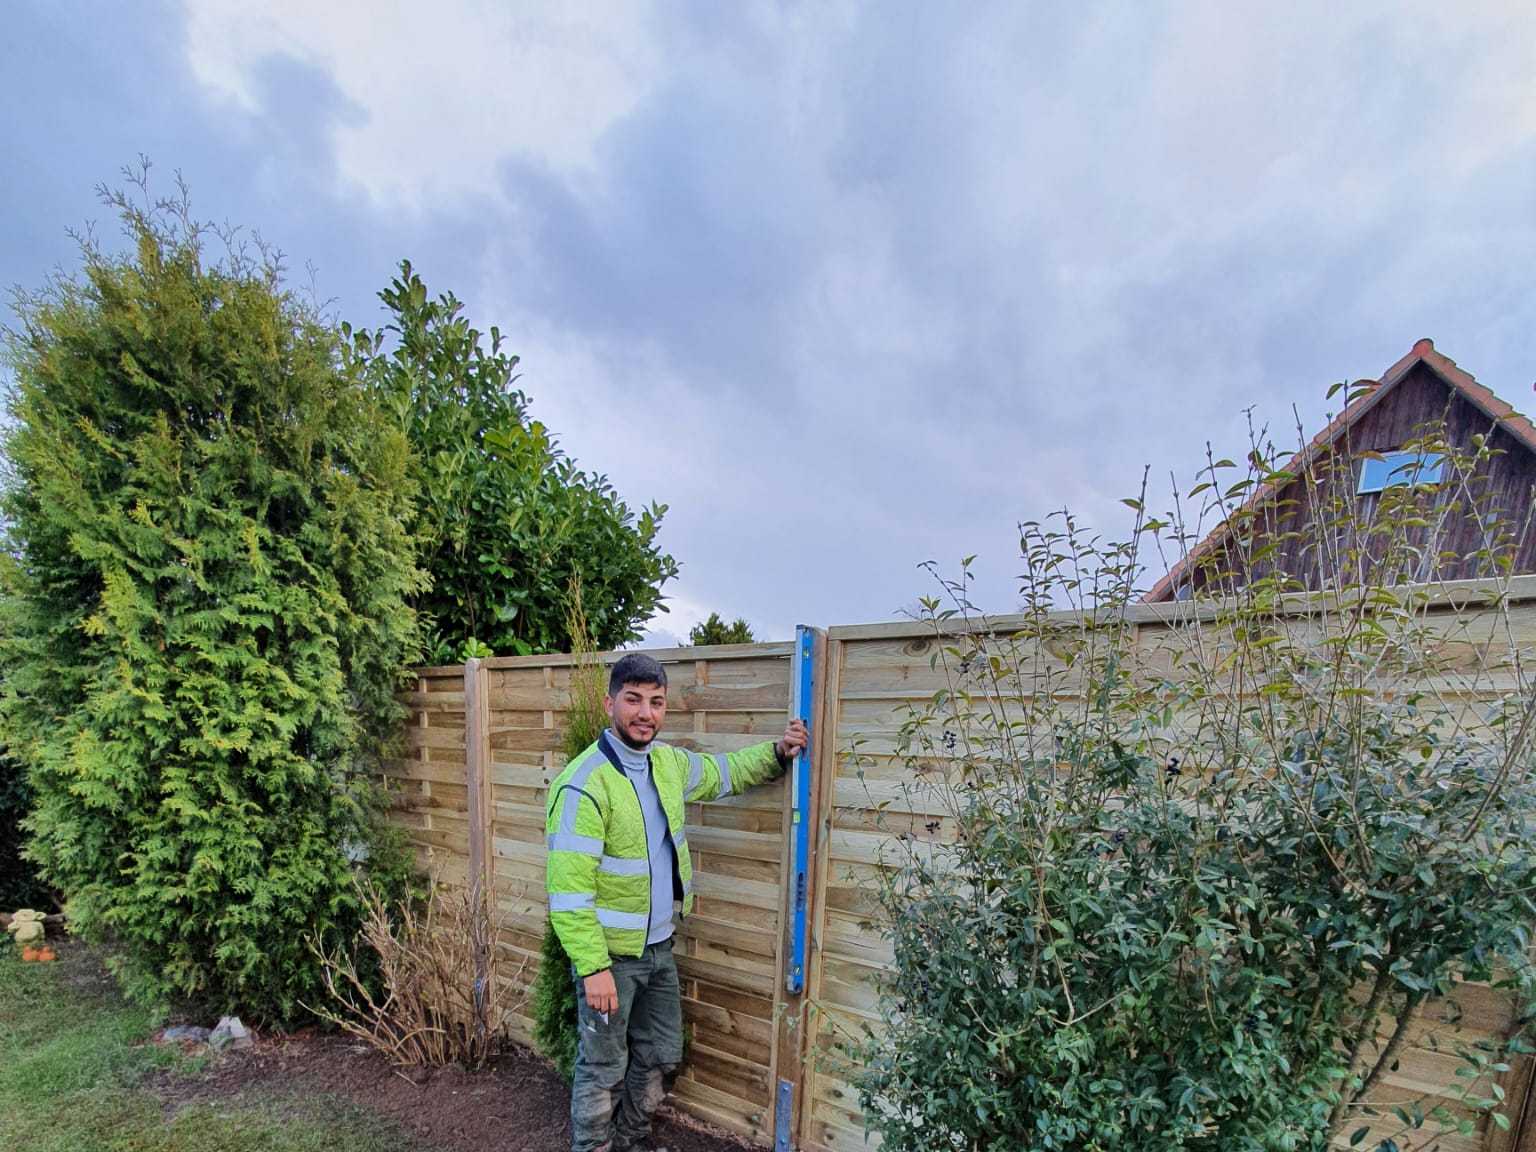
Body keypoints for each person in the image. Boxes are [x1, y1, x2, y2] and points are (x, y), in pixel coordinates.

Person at [545, 652, 809, 1152]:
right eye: (634, 700)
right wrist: (593, 966)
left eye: (656, 702)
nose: (645, 713)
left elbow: (724, 772)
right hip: (610, 959)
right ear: (610, 704)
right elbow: (568, 892)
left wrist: (778, 752)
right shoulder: (585, 784)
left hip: (659, 950)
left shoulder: (666, 764)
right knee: (602, 1069)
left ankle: (631, 1139)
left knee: (662, 1055)